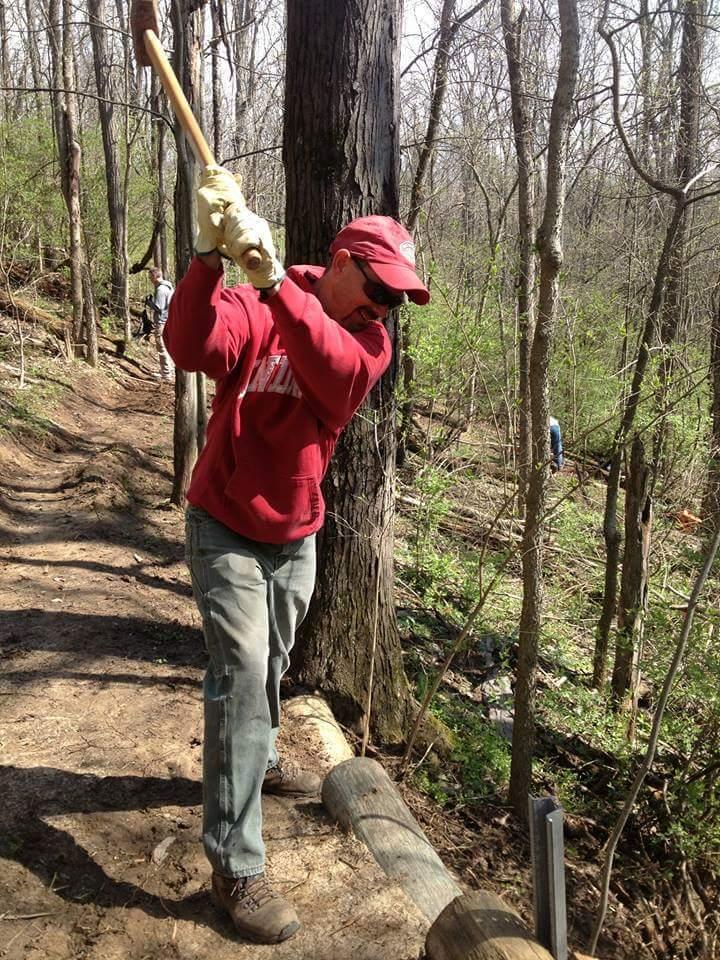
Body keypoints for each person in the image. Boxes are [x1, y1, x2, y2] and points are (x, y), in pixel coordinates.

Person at [163, 165, 430, 945]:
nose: (387, 308)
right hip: (226, 524)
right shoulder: (256, 296)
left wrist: (278, 282)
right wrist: (209, 261)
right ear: (342, 263)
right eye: (379, 289)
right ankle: (236, 866)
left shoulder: (366, 341)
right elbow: (191, 343)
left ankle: (260, 755)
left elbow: (338, 381)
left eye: (396, 299)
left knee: (270, 667)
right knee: (242, 676)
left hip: (297, 533)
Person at [147, 266, 175, 382]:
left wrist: (149, 303)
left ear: (155, 276)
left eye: (150, 277)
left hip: (161, 322)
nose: (150, 280)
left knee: (161, 346)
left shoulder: (160, 290)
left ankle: (166, 374)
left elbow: (159, 308)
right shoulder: (168, 287)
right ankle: (170, 370)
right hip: (169, 321)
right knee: (167, 346)